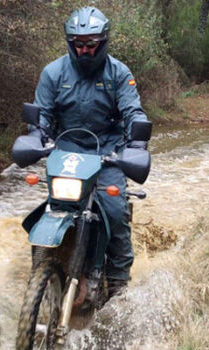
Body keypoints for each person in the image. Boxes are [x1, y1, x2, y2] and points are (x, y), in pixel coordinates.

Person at [30, 6, 148, 298]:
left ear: (103, 41)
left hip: (107, 151)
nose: (84, 50)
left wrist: (136, 145)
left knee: (116, 211)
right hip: (66, 152)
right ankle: (41, 269)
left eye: (91, 44)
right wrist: (35, 135)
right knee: (52, 206)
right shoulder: (53, 73)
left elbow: (133, 112)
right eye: (78, 44)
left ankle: (118, 288)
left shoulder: (119, 74)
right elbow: (41, 115)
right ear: (70, 42)